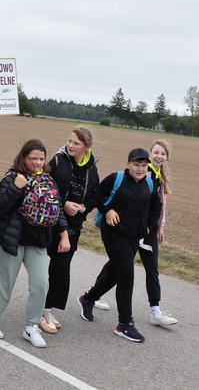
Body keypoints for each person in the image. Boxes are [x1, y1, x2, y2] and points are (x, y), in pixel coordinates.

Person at [0, 139, 65, 348]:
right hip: (13, 240)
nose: (37, 163)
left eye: (41, 159)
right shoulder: (11, 178)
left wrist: (64, 235)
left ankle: (31, 327)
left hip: (38, 242)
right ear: (23, 158)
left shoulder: (47, 180)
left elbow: (57, 208)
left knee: (41, 284)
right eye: (33, 158)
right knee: (6, 283)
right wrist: (17, 188)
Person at [77, 148, 162, 343]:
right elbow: (97, 197)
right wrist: (107, 210)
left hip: (135, 237)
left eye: (143, 165)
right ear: (128, 164)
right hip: (114, 234)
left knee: (116, 273)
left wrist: (149, 227)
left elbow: (156, 207)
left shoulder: (148, 183)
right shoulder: (115, 179)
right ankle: (124, 323)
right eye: (136, 164)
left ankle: (88, 298)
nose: (140, 169)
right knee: (126, 276)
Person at [39, 126, 102, 335]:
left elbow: (95, 195)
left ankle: (47, 309)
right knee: (44, 268)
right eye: (70, 141)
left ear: (87, 146)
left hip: (74, 227)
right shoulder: (58, 160)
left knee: (60, 270)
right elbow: (44, 184)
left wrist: (84, 208)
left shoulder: (92, 168)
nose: (71, 145)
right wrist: (64, 203)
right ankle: (40, 308)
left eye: (76, 143)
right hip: (50, 223)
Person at [141, 139, 178, 326]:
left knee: (152, 268)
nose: (159, 156)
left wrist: (161, 225)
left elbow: (163, 203)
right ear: (150, 153)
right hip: (135, 227)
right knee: (117, 268)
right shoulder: (142, 171)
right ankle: (90, 298)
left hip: (151, 229)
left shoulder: (160, 177)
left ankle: (155, 312)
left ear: (166, 157)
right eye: (156, 152)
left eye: (163, 154)